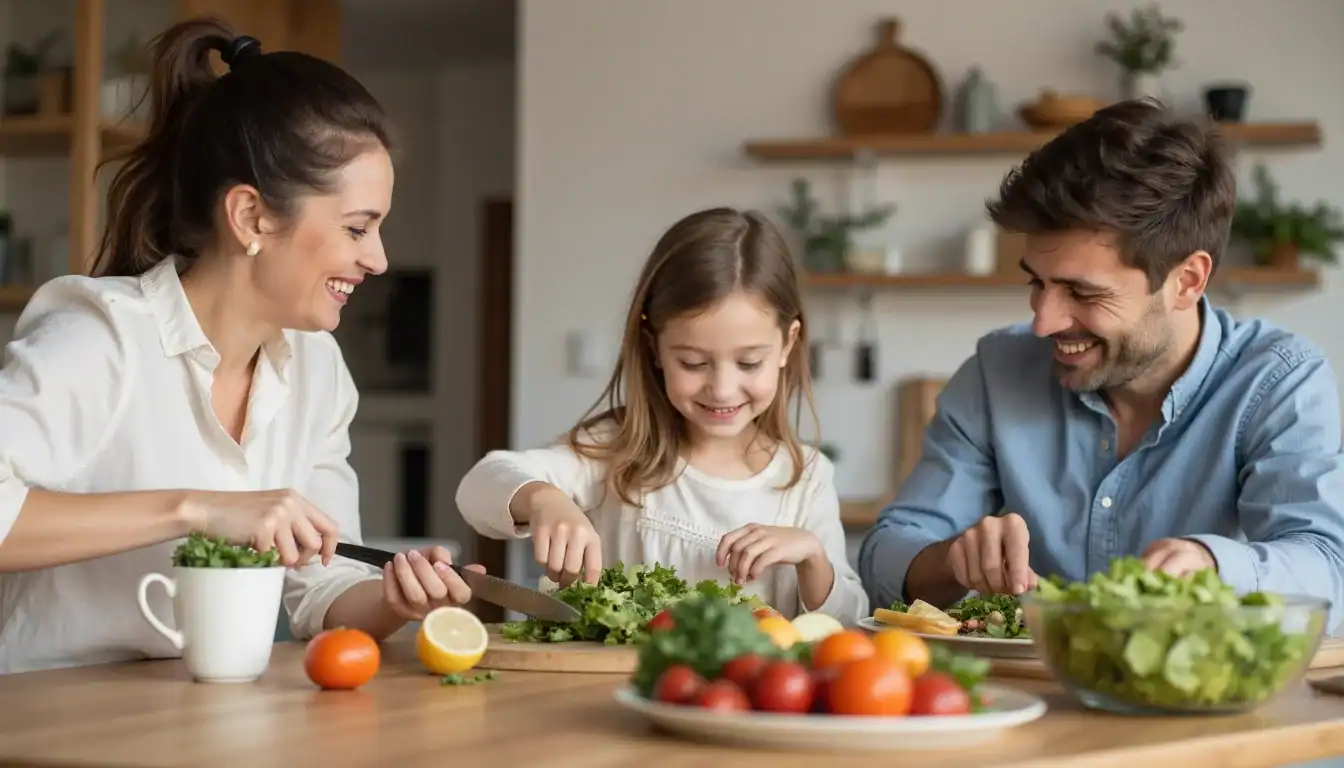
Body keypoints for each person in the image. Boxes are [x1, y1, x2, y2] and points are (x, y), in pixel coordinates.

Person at [0, 18, 482, 674]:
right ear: (251, 217)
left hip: (194, 714)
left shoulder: (316, 370)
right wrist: (195, 508)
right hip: (45, 713)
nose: (377, 260)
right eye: (357, 228)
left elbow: (323, 588)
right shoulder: (102, 339)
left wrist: (396, 598)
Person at [858, 100, 1344, 627]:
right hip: (1026, 701)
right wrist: (954, 559)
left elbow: (1330, 572)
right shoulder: (996, 371)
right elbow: (885, 556)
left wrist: (1212, 564)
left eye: (1081, 292)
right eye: (1036, 282)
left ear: (1186, 281)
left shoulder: (1278, 381)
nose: (1043, 321)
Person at [457, 208, 868, 623]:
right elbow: (478, 486)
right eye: (692, 363)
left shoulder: (807, 478)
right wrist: (543, 498)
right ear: (654, 347)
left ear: (787, 344)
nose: (722, 389)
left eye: (748, 363)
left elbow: (851, 621)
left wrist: (813, 556)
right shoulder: (613, 450)